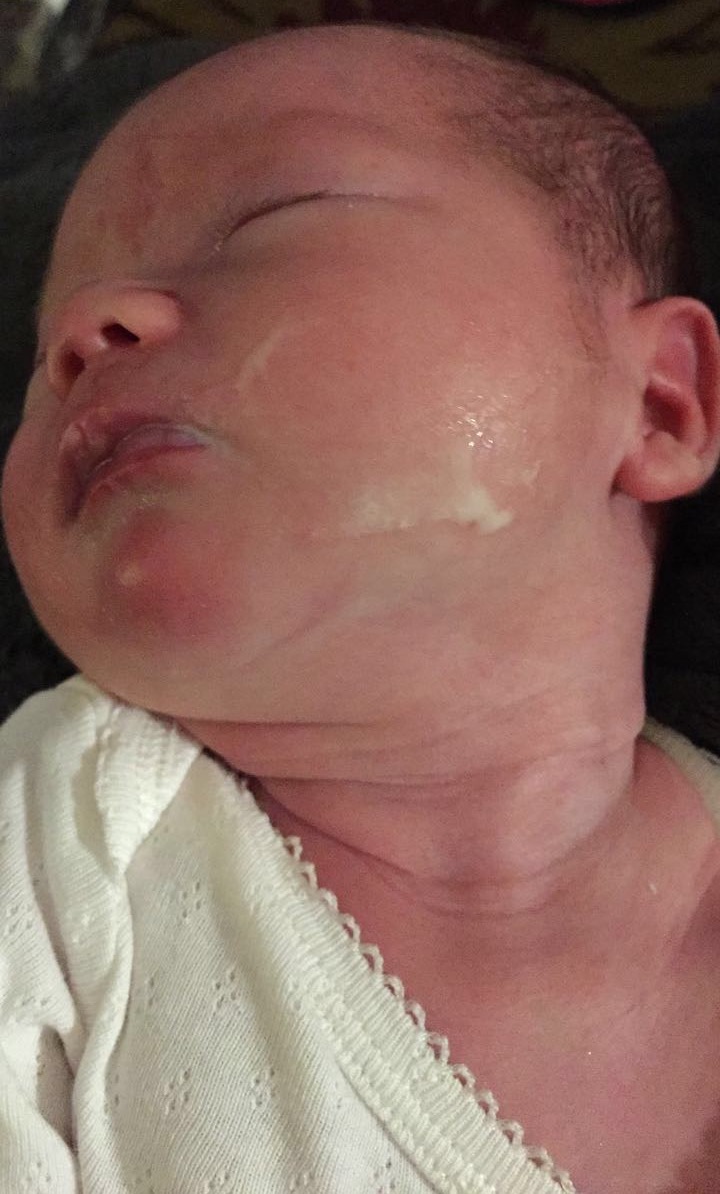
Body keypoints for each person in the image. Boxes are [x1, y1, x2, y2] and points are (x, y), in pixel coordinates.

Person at [2, 20, 720, 1194]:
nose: (86, 332)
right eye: (44, 351)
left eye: (272, 222)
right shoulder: (60, 847)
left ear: (658, 404)